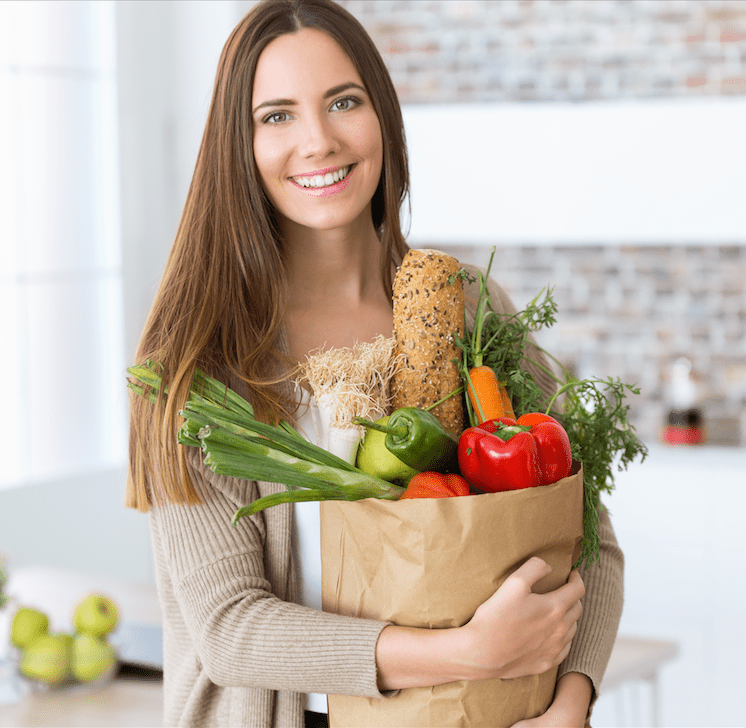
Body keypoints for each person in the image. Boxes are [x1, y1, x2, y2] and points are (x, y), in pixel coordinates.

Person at [126, 1, 624, 727]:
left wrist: (571, 702)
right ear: (239, 143)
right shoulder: (200, 357)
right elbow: (230, 630)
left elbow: (589, 539)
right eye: (277, 116)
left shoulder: (472, 310)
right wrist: (468, 653)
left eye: (344, 102)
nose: (318, 140)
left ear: (382, 116)